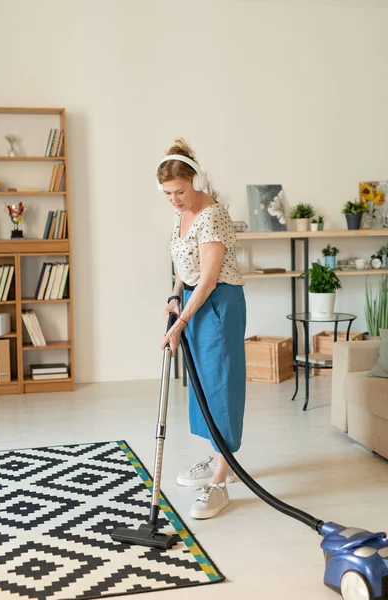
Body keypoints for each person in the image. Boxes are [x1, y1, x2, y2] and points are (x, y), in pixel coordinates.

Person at [158, 138, 246, 520]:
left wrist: (180, 323)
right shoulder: (181, 215)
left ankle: (221, 483)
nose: (174, 199)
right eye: (167, 193)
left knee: (221, 385)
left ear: (194, 181)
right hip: (194, 301)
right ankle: (216, 460)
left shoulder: (213, 215)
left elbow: (209, 279)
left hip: (219, 304)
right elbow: (183, 262)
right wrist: (175, 294)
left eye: (179, 191)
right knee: (203, 385)